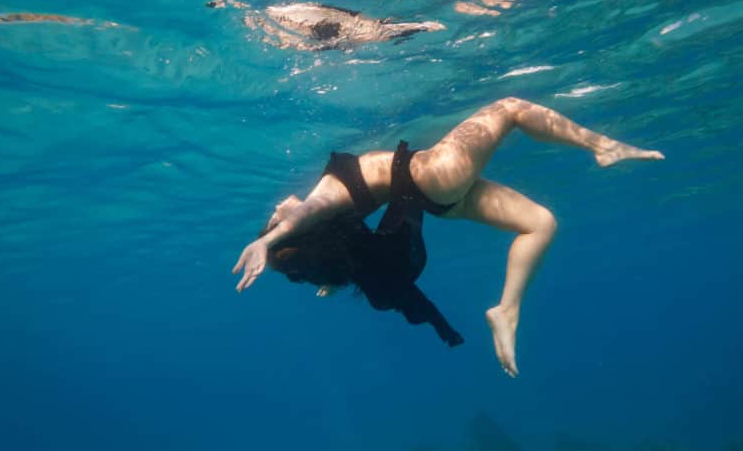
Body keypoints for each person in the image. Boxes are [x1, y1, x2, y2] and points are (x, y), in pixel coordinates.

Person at [233, 97, 664, 377]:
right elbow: (304, 213)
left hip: (441, 201)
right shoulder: (322, 202)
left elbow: (343, 251)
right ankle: (603, 147)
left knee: (541, 223)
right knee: (512, 107)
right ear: (296, 228)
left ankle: (507, 310)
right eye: (274, 218)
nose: (276, 209)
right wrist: (267, 242)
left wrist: (313, 270)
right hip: (437, 172)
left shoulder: (339, 232)